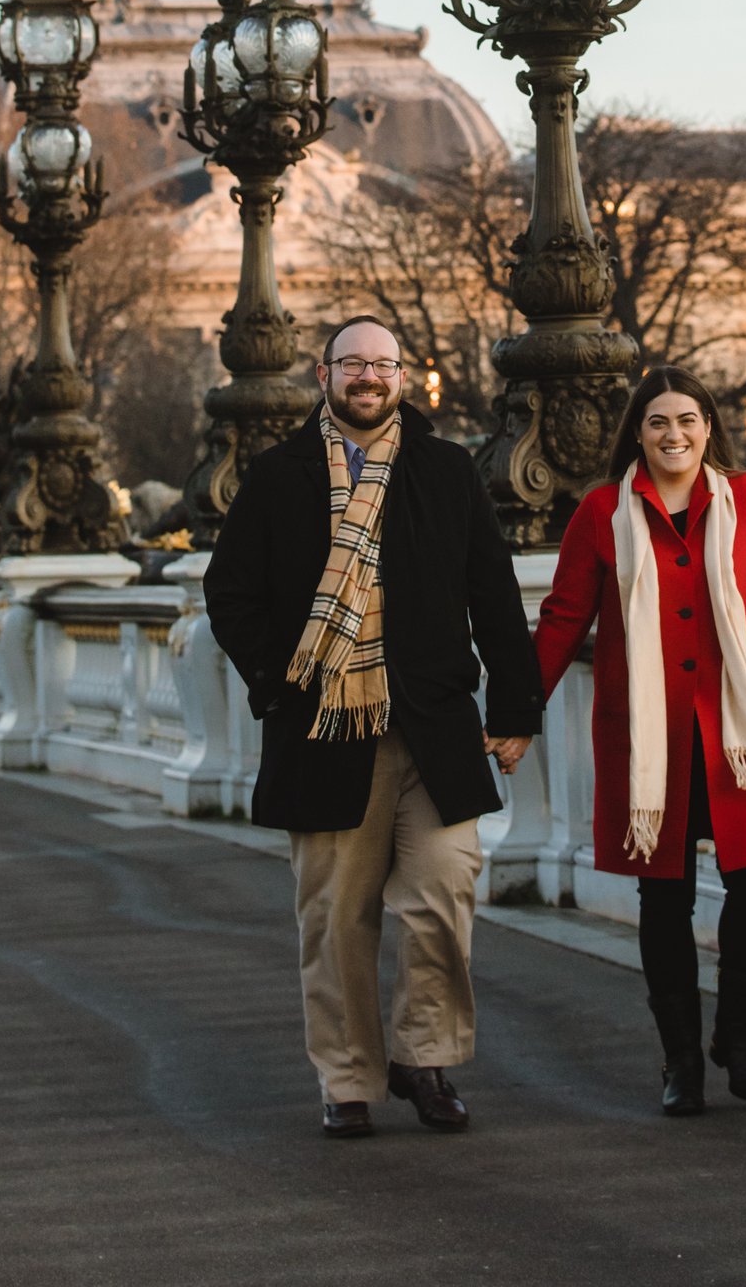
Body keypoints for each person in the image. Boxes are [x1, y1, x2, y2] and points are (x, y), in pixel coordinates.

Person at [203, 317, 543, 1141]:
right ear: (324, 376)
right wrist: (279, 682)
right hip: (322, 731)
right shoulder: (279, 477)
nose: (367, 377)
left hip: (434, 728)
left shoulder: (446, 471)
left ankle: (423, 1060)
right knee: (336, 918)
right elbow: (230, 593)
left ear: (403, 378)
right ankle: (348, 1078)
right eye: (352, 363)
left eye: (382, 365)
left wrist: (515, 708)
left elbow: (493, 594)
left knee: (443, 895)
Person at [534, 365, 746, 1117]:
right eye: (658, 422)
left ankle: (738, 1040)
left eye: (687, 420)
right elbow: (564, 616)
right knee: (665, 897)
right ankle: (682, 1061)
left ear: (709, 426)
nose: (674, 434)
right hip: (648, 738)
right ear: (639, 433)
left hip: (738, 732)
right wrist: (517, 710)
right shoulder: (603, 513)